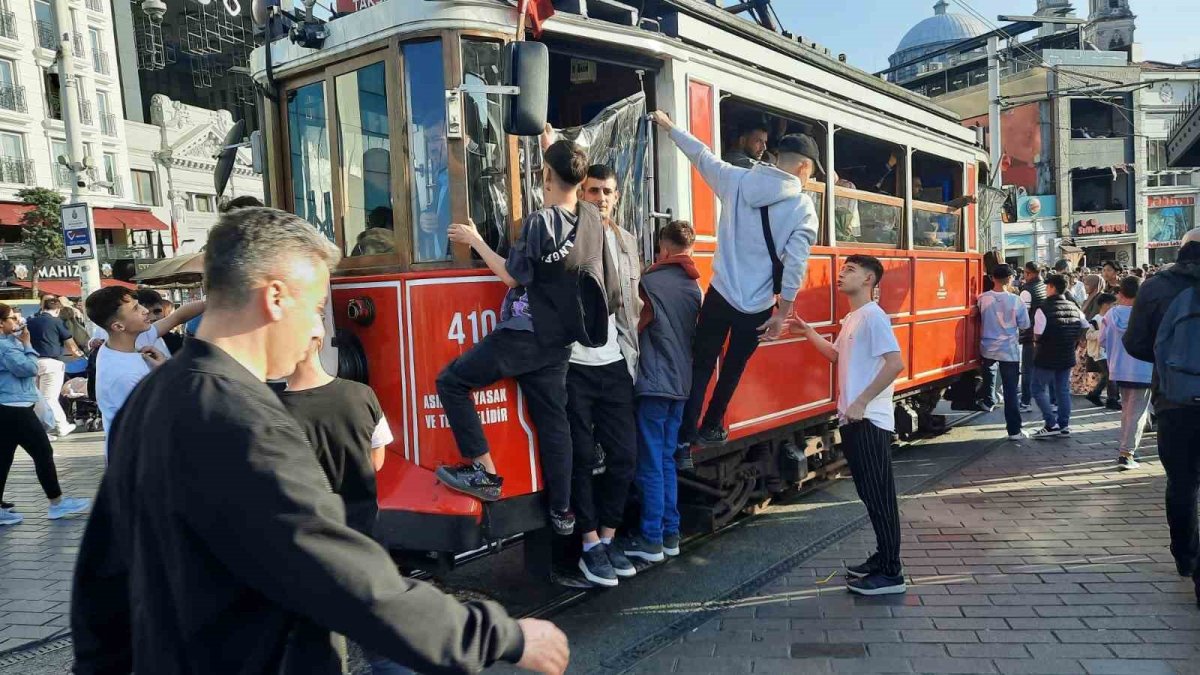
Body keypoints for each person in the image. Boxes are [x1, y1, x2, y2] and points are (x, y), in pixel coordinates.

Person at [71, 207, 569, 675]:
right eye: (313, 307)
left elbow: (101, 581)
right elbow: (348, 580)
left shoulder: (154, 395)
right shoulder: (246, 421)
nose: (317, 328)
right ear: (274, 298)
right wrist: (505, 635)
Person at [434, 139, 616, 536]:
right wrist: (554, 149)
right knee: (555, 424)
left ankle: (484, 474)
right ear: (582, 179)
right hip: (559, 342)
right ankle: (563, 511)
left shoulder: (539, 221)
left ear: (546, 176)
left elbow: (513, 276)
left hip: (522, 334)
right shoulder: (589, 218)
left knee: (451, 381)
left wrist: (475, 241)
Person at [650, 110, 819, 454]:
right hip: (756, 307)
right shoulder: (803, 208)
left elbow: (701, 155)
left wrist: (670, 127)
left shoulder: (736, 180)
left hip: (720, 294)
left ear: (776, 158)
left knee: (700, 362)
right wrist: (781, 313)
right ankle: (712, 425)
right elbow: (795, 266)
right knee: (733, 366)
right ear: (803, 168)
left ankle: (683, 433)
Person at [279, 338, 405, 675]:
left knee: (320, 650)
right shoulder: (361, 394)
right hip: (365, 539)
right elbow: (376, 460)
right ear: (319, 343)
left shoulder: (273, 408)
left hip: (312, 547)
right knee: (385, 645)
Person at [789, 255, 906, 595]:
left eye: (850, 270)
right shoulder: (855, 318)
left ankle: (891, 573)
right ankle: (884, 558)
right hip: (853, 418)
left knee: (879, 495)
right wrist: (809, 332)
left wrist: (861, 401)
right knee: (871, 494)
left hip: (868, 420)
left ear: (869, 280)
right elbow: (837, 356)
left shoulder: (873, 317)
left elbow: (895, 363)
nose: (841, 274)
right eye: (842, 269)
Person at [567, 164, 643, 586]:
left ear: (616, 195)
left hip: (614, 361)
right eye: (593, 190)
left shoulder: (626, 239)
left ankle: (610, 537)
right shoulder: (566, 231)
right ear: (581, 192)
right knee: (580, 457)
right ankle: (591, 544)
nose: (601, 197)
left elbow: (629, 306)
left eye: (607, 191)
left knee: (625, 455)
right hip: (573, 364)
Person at [1123, 227, 1200, 600]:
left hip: (1175, 400)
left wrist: (1172, 361)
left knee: (1182, 482)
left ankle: (1185, 557)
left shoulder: (1155, 287)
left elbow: (1134, 343)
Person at [624, 220, 701, 564]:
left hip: (654, 384)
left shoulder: (649, 284)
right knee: (668, 460)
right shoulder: (693, 287)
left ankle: (652, 538)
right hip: (681, 386)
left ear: (664, 249)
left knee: (651, 462)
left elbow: (634, 328)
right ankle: (671, 534)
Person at [0, 302, 92, 526]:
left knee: (4, 458)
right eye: (12, 318)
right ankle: (57, 502)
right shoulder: (5, 346)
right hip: (15, 407)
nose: (18, 321)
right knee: (42, 452)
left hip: (11, 405)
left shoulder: (8, 342)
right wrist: (28, 345)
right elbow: (29, 369)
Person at [84, 287, 205, 449]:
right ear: (118, 326)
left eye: (139, 304)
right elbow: (157, 420)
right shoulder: (123, 375)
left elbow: (178, 316)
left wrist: (221, 302)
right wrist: (166, 372)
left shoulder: (130, 340)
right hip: (138, 459)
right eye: (135, 309)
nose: (145, 311)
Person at [1099, 276, 1153, 470]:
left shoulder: (1110, 315)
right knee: (1137, 413)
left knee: (1127, 411)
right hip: (1144, 369)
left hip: (1119, 369)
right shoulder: (1147, 314)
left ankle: (1128, 448)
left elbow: (1102, 341)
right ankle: (1127, 453)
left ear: (1120, 293)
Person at [1029, 274, 1089, 440]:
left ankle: (1050, 423)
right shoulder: (1074, 307)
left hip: (1046, 356)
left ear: (1052, 287)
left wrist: (1036, 344)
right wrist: (1075, 339)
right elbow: (1085, 326)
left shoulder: (1043, 308)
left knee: (1037, 388)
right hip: (1067, 354)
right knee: (1063, 390)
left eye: (1047, 286)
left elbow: (1038, 334)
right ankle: (1064, 425)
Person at [977, 265, 1030, 441]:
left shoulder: (982, 299)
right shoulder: (1016, 300)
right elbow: (1024, 325)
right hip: (1009, 350)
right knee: (1010, 391)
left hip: (987, 347)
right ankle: (1014, 430)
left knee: (989, 374)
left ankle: (989, 400)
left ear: (992, 278)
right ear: (1010, 279)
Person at [25, 295, 83, 438]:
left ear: (43, 307)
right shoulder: (57, 322)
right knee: (50, 398)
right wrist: (78, 355)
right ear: (57, 310)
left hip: (32, 362)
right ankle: (61, 425)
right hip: (52, 363)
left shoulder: (30, 321)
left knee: (37, 398)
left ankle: (41, 428)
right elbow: (71, 344)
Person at [1018, 262, 1047, 411]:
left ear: (1028, 273)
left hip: (1031, 335)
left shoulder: (1027, 291)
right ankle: (1048, 399)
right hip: (1044, 333)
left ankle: (1025, 401)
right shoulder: (1045, 286)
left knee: (1027, 369)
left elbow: (1023, 317)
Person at [1084, 293, 1120, 410]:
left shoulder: (1112, 317)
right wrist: (1102, 333)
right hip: (1100, 352)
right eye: (1113, 304)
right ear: (1105, 305)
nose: (1115, 306)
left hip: (1110, 351)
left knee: (1108, 375)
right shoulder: (1095, 320)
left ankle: (1095, 394)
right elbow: (1088, 335)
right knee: (1111, 375)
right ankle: (1112, 399)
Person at [137, 289, 186, 354]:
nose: (153, 318)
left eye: (157, 311)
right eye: (145, 313)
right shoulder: (126, 346)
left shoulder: (176, 341)